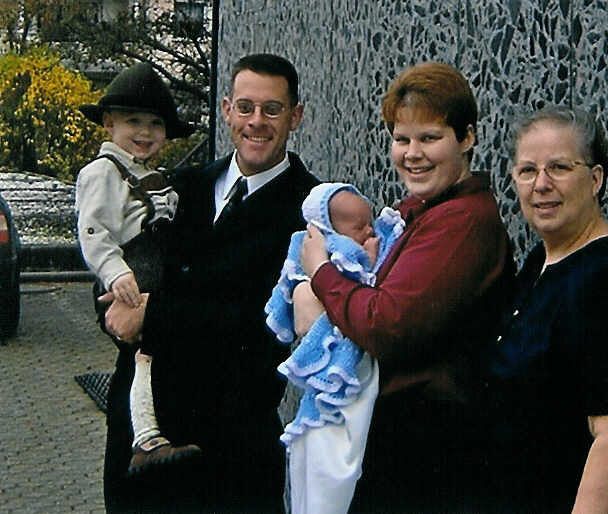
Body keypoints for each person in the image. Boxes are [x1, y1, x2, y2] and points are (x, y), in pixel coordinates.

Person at [100, 53, 319, 513]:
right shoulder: (179, 186)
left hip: (229, 460)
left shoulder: (312, 211)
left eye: (272, 110)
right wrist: (111, 308)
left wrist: (152, 315)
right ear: (226, 110)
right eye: (245, 107)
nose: (256, 122)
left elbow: (263, 327)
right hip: (138, 450)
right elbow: (113, 263)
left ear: (295, 116)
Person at [293, 62, 514, 512]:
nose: (413, 154)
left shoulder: (462, 222)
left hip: (428, 452)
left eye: (429, 138)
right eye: (402, 139)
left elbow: (386, 324)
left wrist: (320, 272)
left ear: (467, 138)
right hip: (405, 443)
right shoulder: (421, 211)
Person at [487, 106, 608, 512]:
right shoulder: (542, 259)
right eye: (527, 171)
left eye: (560, 168)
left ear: (596, 178)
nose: (541, 184)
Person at [75, 62, 201, 477]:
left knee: (154, 356)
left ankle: (156, 434)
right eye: (133, 121)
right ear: (109, 123)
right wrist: (115, 273)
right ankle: (146, 439)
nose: (145, 132)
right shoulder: (102, 173)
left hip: (157, 271)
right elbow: (93, 231)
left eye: (155, 124)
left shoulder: (153, 176)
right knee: (144, 355)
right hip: (132, 273)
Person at [266, 182, 405, 514]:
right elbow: (356, 281)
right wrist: (369, 259)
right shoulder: (335, 250)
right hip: (341, 357)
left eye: (370, 222)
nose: (369, 231)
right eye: (359, 227)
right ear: (330, 230)